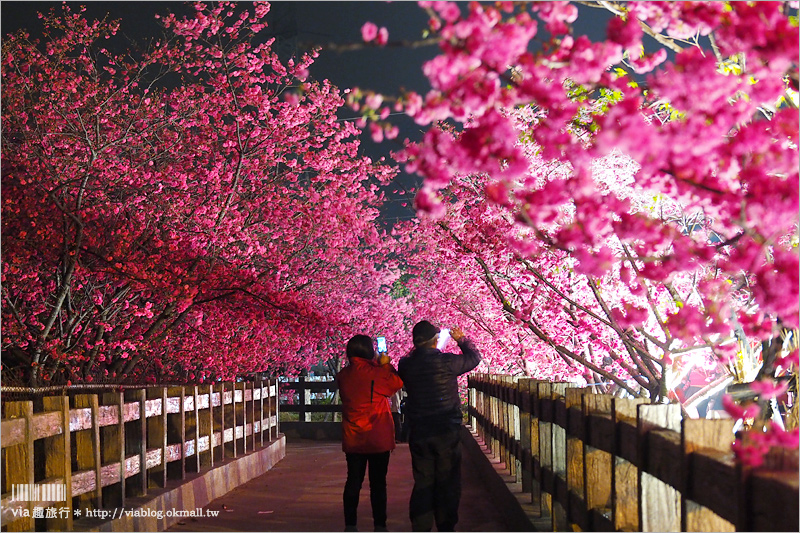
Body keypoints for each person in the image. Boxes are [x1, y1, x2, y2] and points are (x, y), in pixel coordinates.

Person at [397, 321, 482, 532]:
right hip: (446, 429)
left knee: (423, 480)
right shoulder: (447, 362)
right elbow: (474, 358)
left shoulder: (405, 365)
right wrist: (462, 339)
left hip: (420, 429)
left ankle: (421, 526)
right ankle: (446, 526)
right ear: (436, 340)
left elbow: (411, 358)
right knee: (448, 480)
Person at [337, 335, 404, 532]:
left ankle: (350, 524)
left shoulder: (343, 375)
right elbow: (396, 384)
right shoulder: (377, 373)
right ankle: (380, 525)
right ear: (369, 351)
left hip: (353, 435)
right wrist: (385, 365)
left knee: (353, 480)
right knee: (378, 483)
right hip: (377, 435)